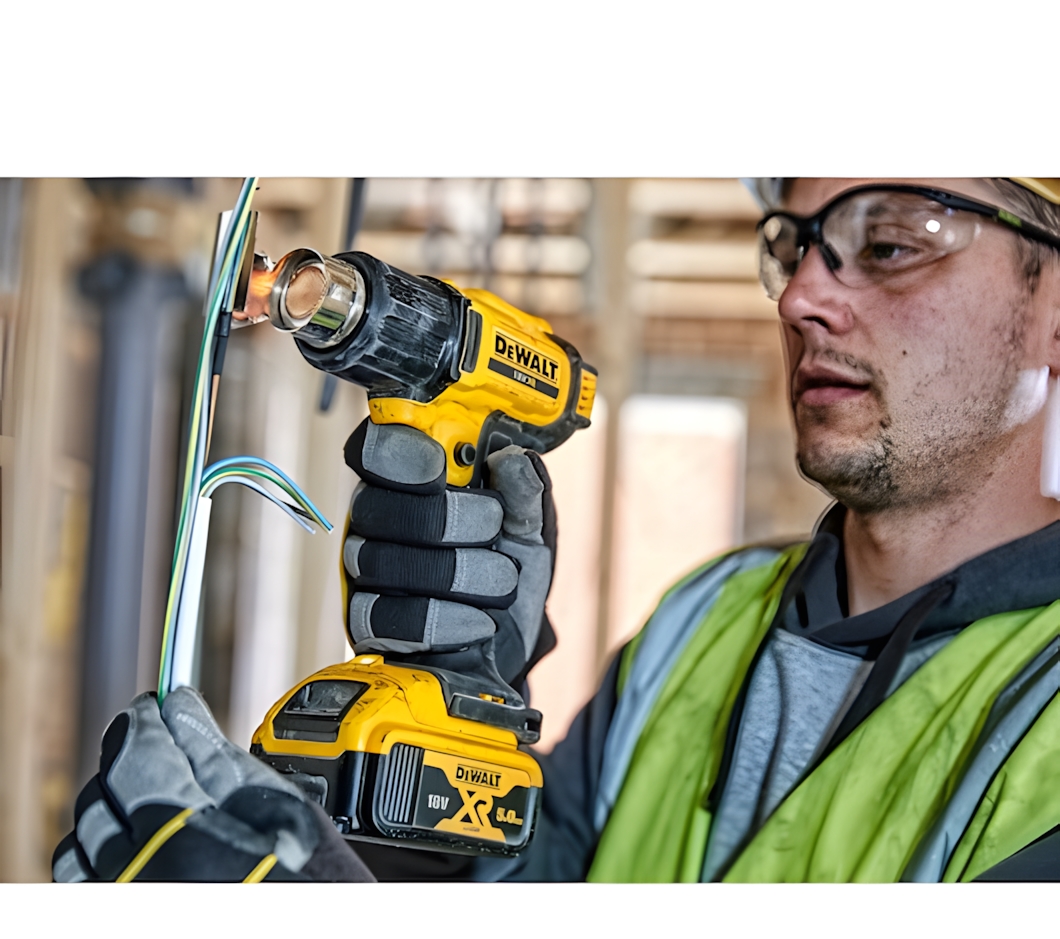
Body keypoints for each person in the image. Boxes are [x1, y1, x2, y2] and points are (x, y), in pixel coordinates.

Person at [55, 178, 1060, 883]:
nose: (800, 297)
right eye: (792, 247)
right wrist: (446, 763)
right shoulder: (705, 618)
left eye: (889, 245)